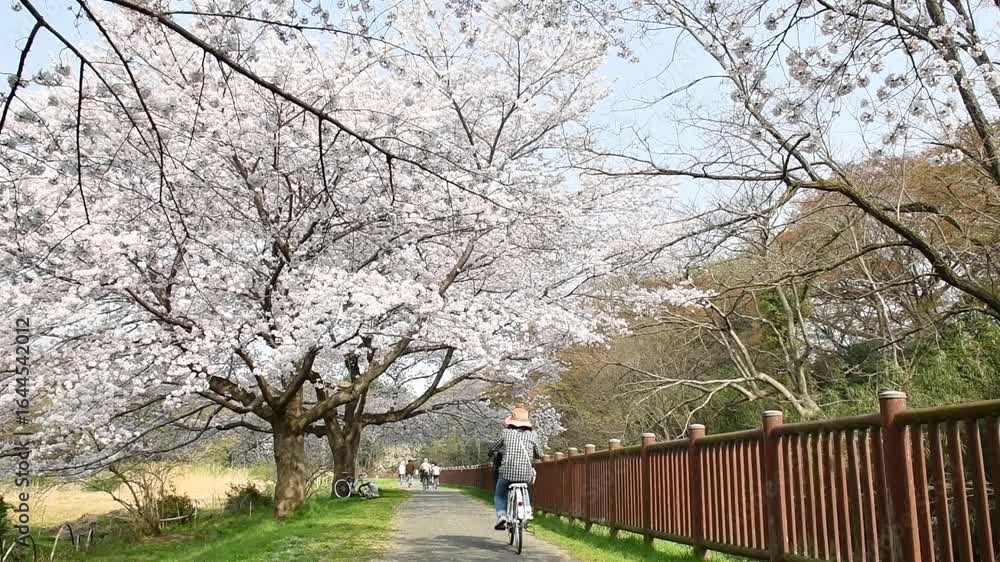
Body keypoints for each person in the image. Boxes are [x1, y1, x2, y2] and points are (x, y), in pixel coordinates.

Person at [488, 407, 543, 530]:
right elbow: (539, 454)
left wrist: (492, 453)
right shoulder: (533, 435)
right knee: (527, 486)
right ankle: (527, 510)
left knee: (499, 495)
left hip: (507, 473)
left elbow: (493, 448)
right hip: (525, 474)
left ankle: (502, 515)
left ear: (511, 422)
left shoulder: (505, 433)